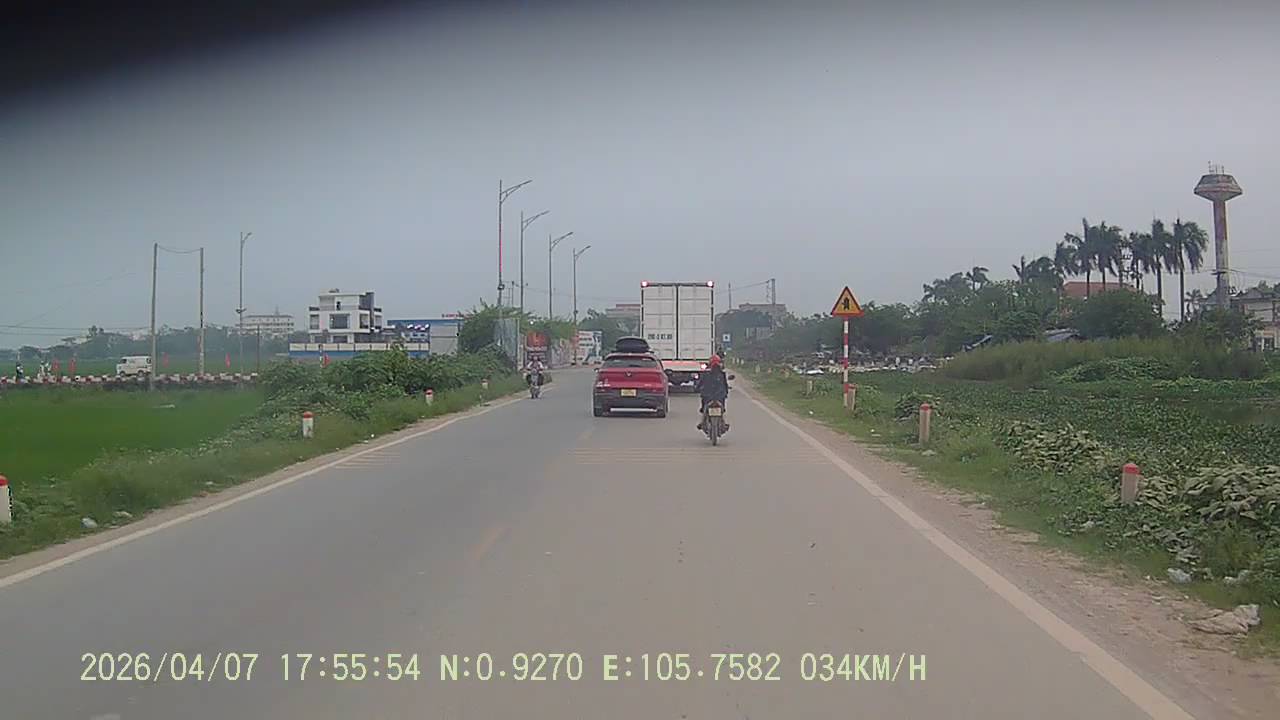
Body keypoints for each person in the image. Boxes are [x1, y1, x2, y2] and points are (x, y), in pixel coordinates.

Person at [697, 354, 730, 430]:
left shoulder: (706, 373)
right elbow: (725, 385)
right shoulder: (722, 374)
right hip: (719, 396)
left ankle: (703, 421)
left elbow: (700, 383)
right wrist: (726, 392)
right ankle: (722, 422)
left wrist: (697, 388)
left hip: (708, 396)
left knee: (704, 407)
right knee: (722, 408)